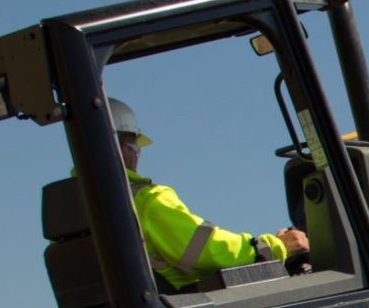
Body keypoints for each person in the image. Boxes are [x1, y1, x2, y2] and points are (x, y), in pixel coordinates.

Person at [109, 98, 308, 290]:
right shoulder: (146, 200)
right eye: (137, 149)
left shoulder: (85, 208)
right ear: (126, 149)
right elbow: (205, 250)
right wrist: (274, 247)